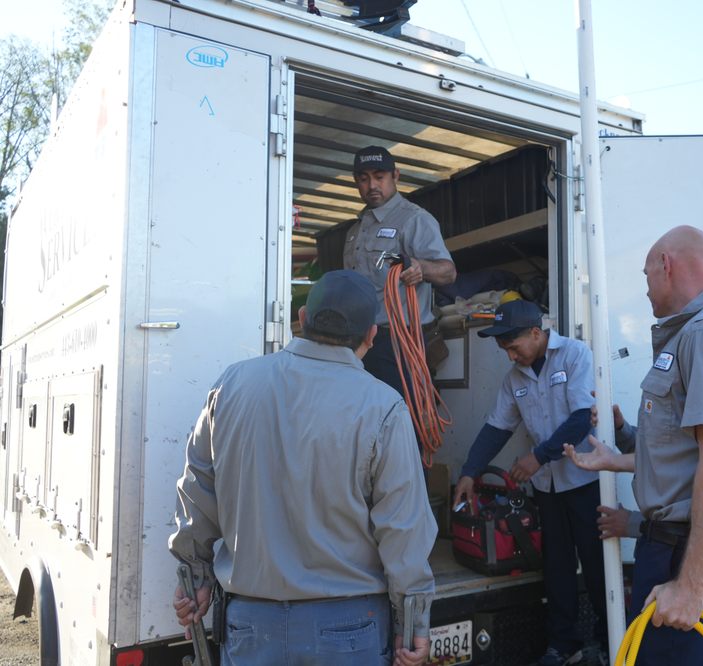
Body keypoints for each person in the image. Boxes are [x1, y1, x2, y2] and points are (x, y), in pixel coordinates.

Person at [168, 270, 436, 666]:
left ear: (301, 317)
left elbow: (197, 492)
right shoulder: (384, 406)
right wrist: (412, 621)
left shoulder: (232, 386)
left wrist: (195, 577)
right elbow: (403, 530)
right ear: (371, 336)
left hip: (250, 625)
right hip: (348, 629)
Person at [565, 225, 703, 665]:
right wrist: (616, 459)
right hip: (675, 547)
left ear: (666, 264)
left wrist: (690, 585)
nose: (645, 292)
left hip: (687, 554)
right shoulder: (698, 333)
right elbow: (685, 454)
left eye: (646, 277)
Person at [451, 299, 607, 666]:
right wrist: (470, 472)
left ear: (536, 334)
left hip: (585, 480)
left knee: (598, 567)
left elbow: (583, 417)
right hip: (548, 488)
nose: (510, 356)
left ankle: (606, 643)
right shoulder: (514, 379)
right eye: (504, 349)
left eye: (513, 346)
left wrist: (539, 455)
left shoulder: (574, 355)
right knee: (556, 570)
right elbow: (496, 428)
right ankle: (562, 645)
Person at [343, 145, 457, 397]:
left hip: (399, 342)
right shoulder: (355, 231)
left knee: (402, 420)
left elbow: (448, 272)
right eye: (363, 179)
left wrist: (421, 268)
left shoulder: (414, 219)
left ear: (396, 176)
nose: (372, 185)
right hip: (361, 340)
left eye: (379, 177)